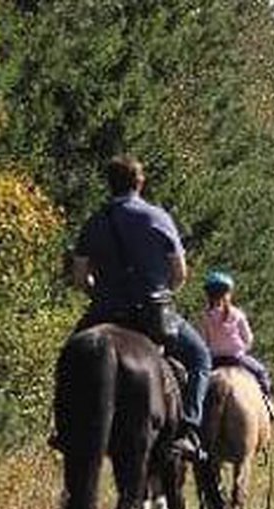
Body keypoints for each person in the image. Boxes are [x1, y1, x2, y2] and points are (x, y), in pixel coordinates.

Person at [72, 155, 211, 457]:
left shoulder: (94, 222)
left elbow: (81, 277)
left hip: (105, 312)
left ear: (109, 185)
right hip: (152, 315)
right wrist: (162, 292)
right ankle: (189, 430)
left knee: (70, 357)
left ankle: (66, 428)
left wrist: (100, 292)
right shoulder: (157, 218)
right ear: (140, 182)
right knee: (200, 357)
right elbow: (180, 273)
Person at [199, 270, 274, 418]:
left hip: (214, 361)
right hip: (237, 359)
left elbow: (203, 341)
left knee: (198, 382)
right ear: (228, 293)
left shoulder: (205, 316)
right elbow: (248, 338)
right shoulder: (237, 314)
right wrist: (242, 349)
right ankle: (269, 403)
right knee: (261, 373)